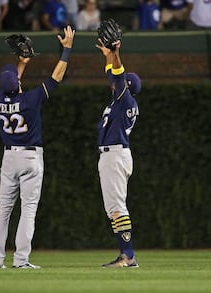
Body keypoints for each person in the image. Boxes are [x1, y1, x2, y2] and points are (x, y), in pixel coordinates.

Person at [0, 26, 75, 269]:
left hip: (8, 160)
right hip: (31, 158)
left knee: (3, 210)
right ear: (18, 83)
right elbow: (57, 76)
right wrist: (67, 49)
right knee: (28, 210)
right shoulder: (30, 99)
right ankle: (21, 260)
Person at [95, 38, 141, 268]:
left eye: (119, 81)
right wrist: (108, 57)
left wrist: (116, 53)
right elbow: (114, 76)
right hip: (114, 154)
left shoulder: (125, 99)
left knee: (116, 208)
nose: (113, 82)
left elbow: (118, 76)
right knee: (113, 208)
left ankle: (128, 256)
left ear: (126, 86)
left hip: (114, 155)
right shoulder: (120, 101)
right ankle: (125, 254)